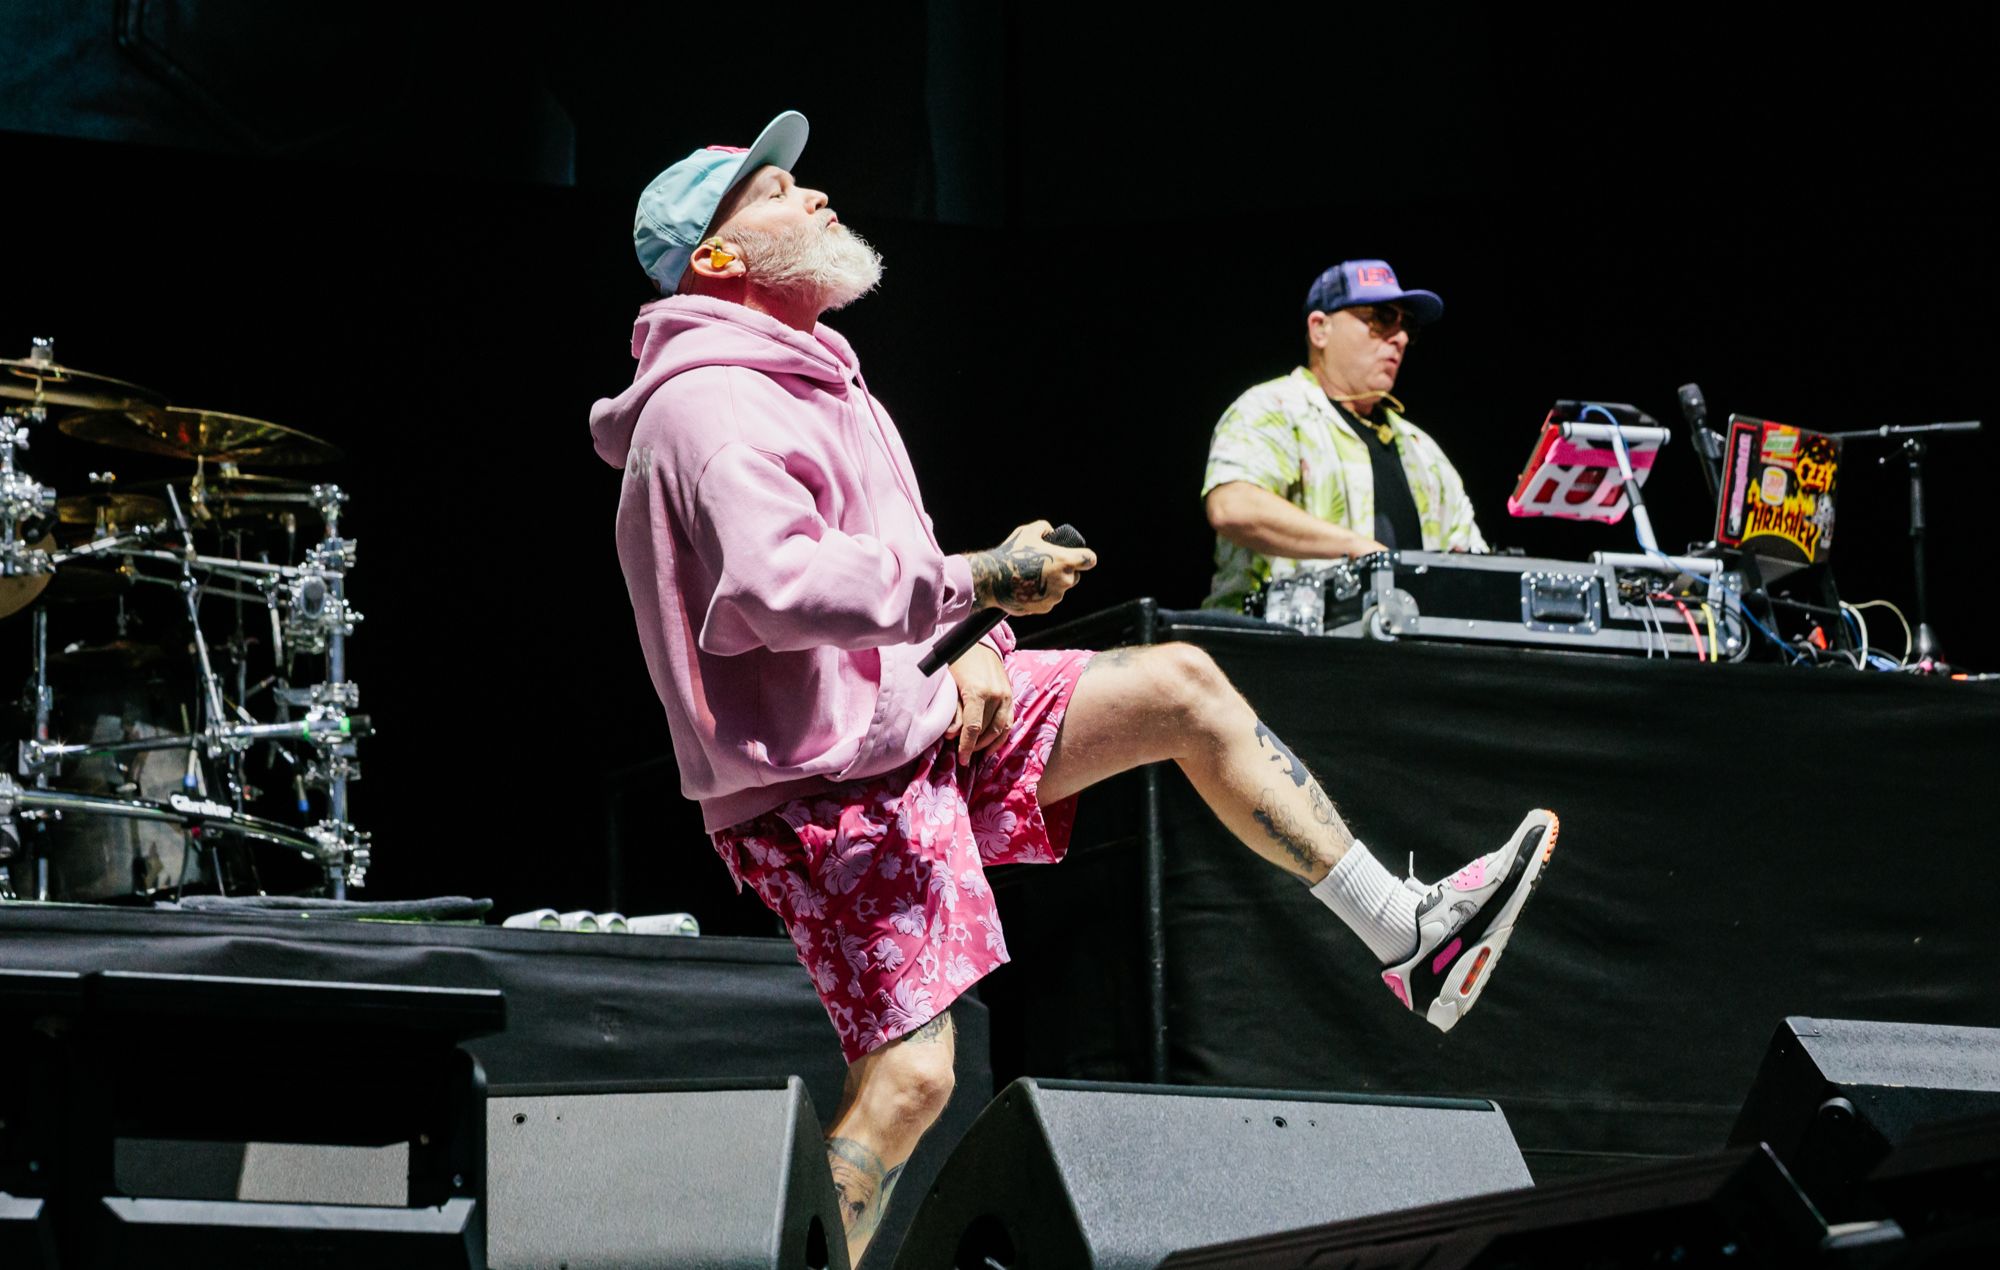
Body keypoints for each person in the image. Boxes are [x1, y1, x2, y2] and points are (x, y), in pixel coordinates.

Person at [591, 113, 1556, 1267]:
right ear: (715, 256)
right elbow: (776, 587)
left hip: (916, 720)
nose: (814, 195)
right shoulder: (706, 403)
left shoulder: (822, 379)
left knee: (1180, 689)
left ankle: (1407, 934)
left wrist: (974, 635)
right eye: (774, 191)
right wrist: (979, 579)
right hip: (823, 787)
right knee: (909, 1080)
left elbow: (892, 574)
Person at [1202, 259, 1488, 613]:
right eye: (1382, 317)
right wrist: (1357, 547)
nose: (1399, 337)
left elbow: (1473, 561)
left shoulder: (1423, 451)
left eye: (1407, 325)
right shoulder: (1273, 409)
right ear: (1320, 329)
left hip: (1403, 647)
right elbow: (1233, 506)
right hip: (1270, 642)